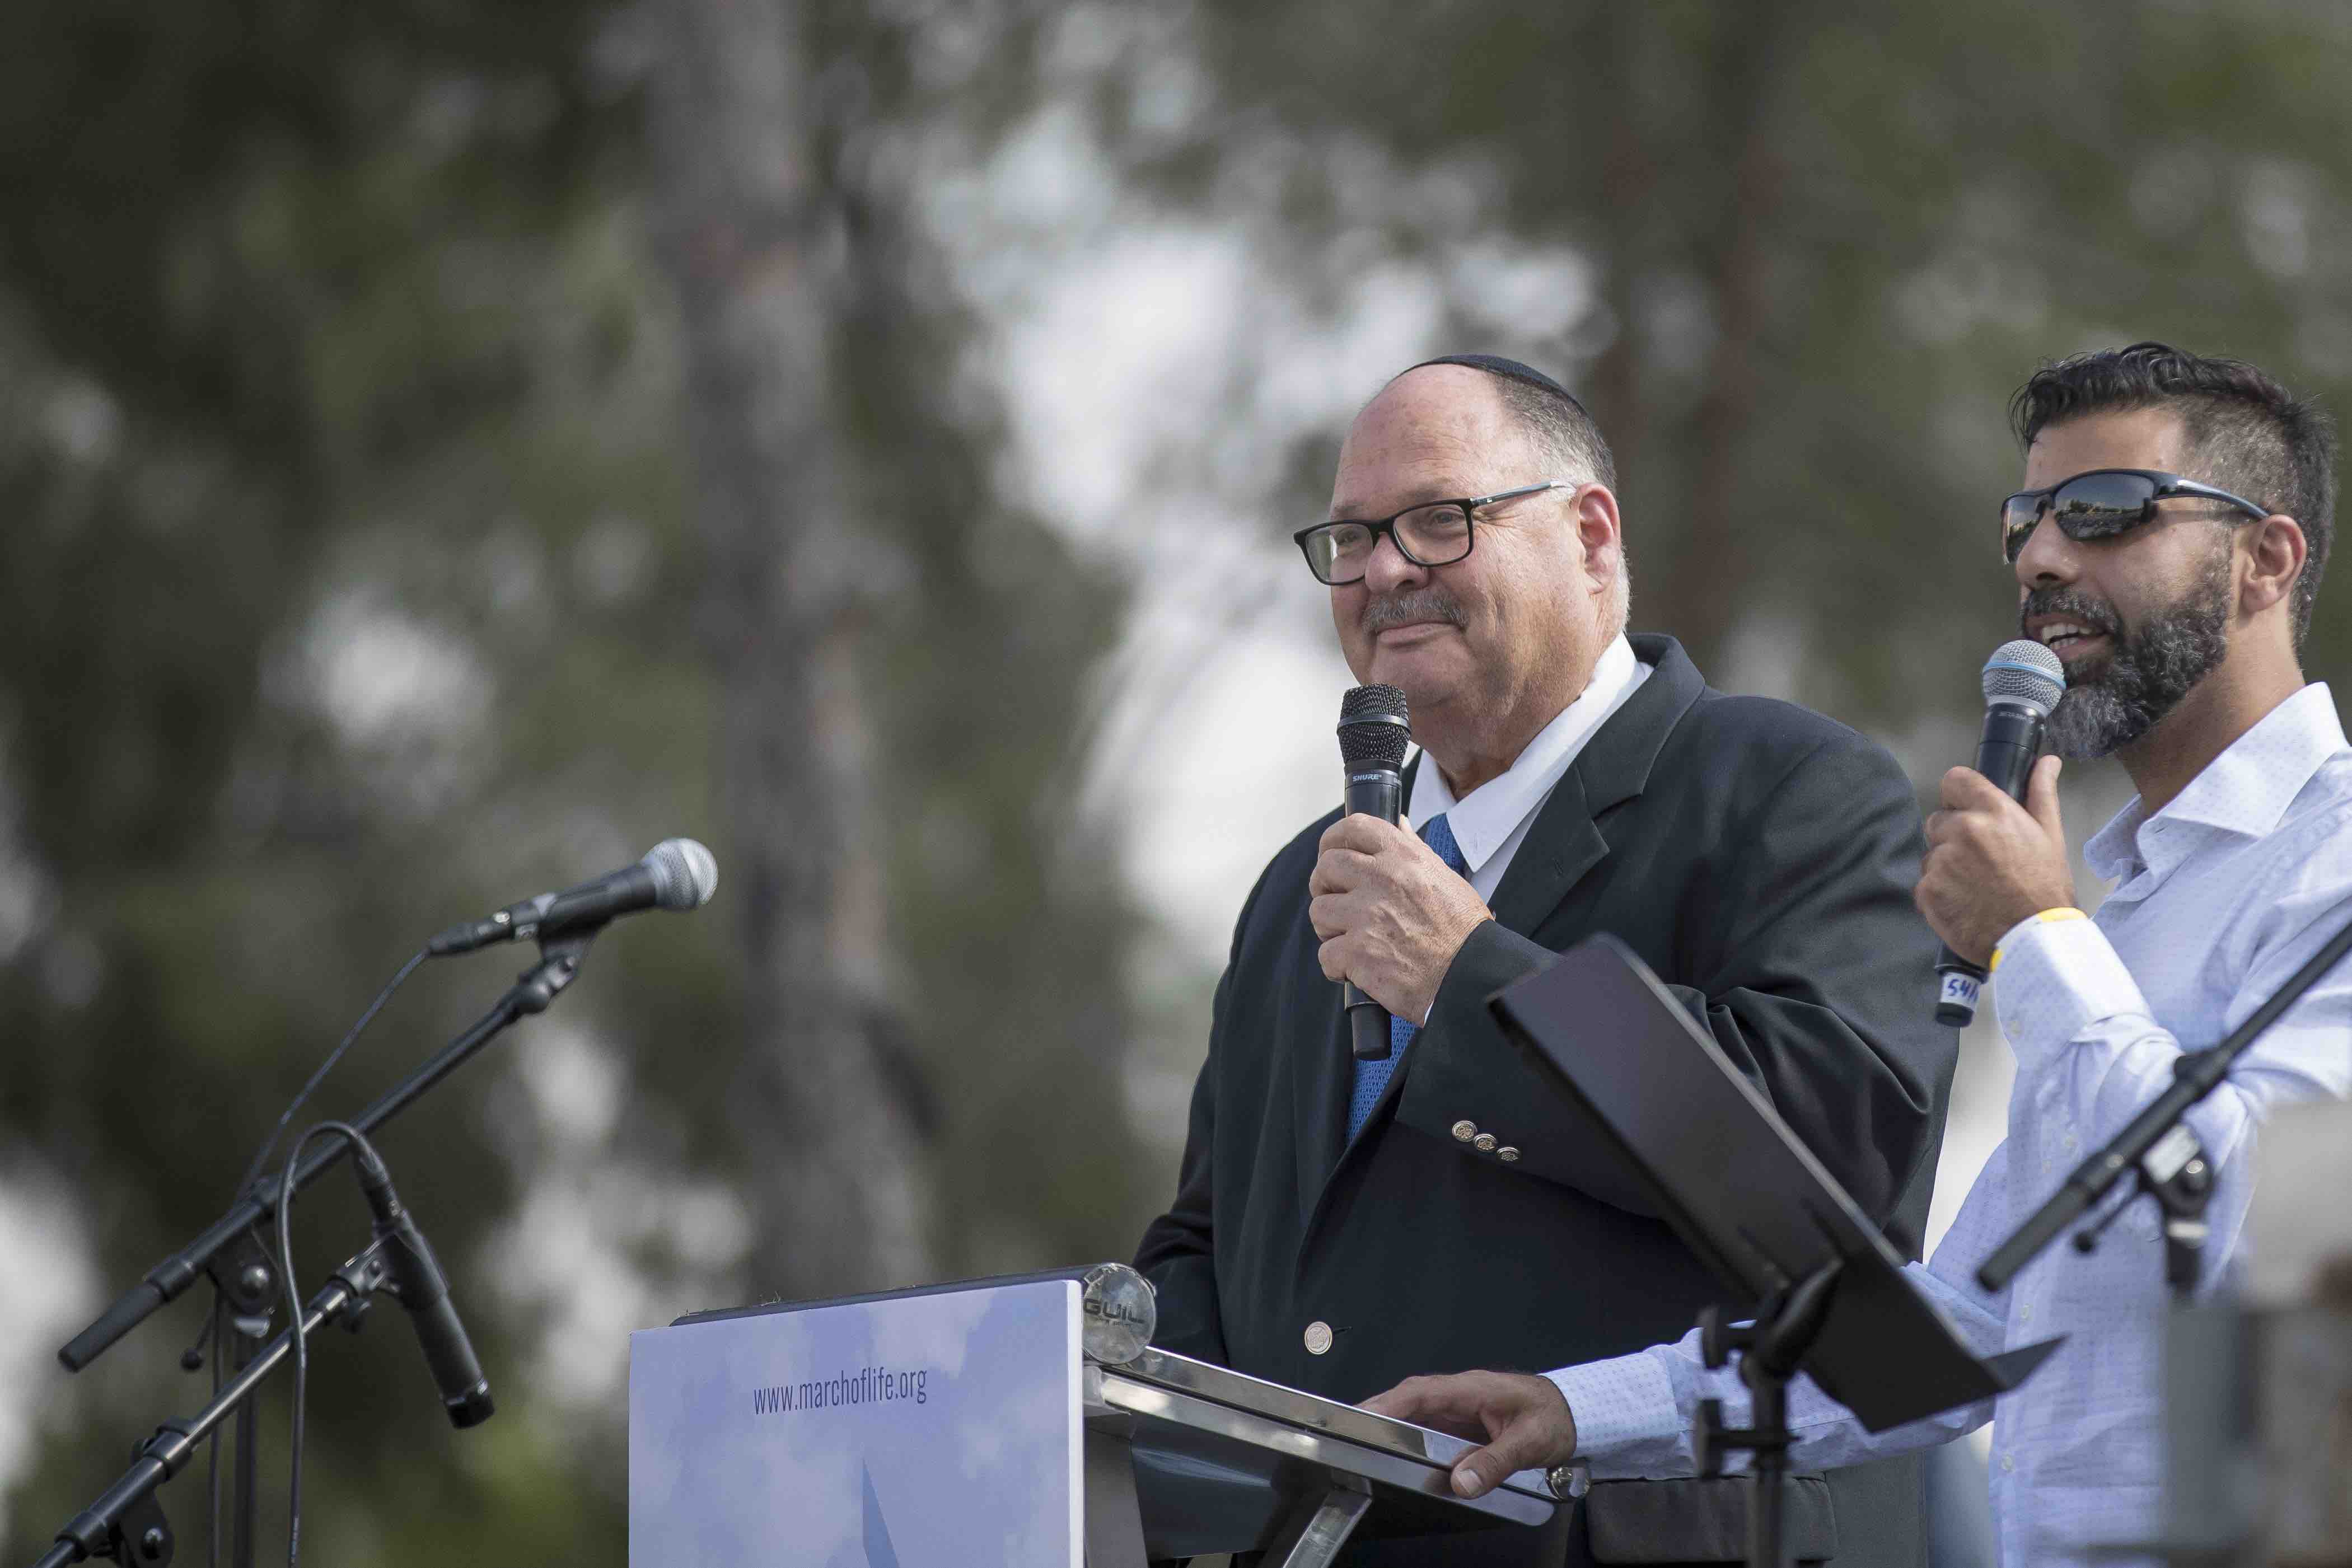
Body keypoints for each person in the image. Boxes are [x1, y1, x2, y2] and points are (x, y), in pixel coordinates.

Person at [1363, 343, 2352, 1568]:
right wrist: (1580, 1412)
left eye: (2104, 514)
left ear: (2268, 557)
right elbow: (1964, 1328)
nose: (2043, 560)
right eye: (2024, 523)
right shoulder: (2136, 907)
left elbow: (2265, 1243)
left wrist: (2037, 941)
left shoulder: (2330, 868)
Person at [1134, 354, 1957, 1567]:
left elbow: (1838, 1178)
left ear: (1588, 534)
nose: (1387, 570)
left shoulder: (1790, 788)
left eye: (1437, 520)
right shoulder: (1303, 884)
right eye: (1353, 538)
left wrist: (1474, 984)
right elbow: (1222, 1248)